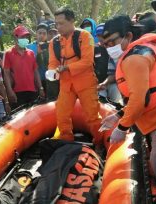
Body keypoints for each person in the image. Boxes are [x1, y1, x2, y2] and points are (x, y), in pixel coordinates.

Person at [99, 15, 156, 184]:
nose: (109, 48)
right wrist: (118, 115)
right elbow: (146, 93)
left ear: (128, 36)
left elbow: (139, 100)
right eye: (106, 44)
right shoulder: (143, 49)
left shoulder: (134, 58)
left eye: (112, 42)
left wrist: (122, 127)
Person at [48, 6, 103, 146]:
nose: (58, 27)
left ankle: (99, 143)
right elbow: (53, 62)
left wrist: (66, 68)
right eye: (56, 24)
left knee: (93, 117)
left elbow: (87, 61)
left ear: (72, 20)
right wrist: (52, 71)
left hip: (86, 83)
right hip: (66, 85)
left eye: (61, 23)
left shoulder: (85, 36)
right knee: (61, 115)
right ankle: (66, 141)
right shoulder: (54, 42)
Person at [3, 25, 45, 109]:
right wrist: (10, 91)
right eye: (22, 36)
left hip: (32, 90)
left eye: (26, 36)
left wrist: (40, 88)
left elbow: (35, 71)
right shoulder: (8, 53)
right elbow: (6, 74)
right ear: (15, 37)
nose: (25, 38)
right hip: (17, 92)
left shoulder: (31, 53)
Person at [96, 24, 123, 104]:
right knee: (101, 103)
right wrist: (103, 83)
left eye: (103, 35)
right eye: (99, 35)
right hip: (101, 83)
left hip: (116, 84)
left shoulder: (117, 49)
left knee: (115, 104)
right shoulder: (95, 49)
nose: (101, 38)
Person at [27, 23, 53, 99]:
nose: (42, 35)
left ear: (47, 34)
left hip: (50, 80)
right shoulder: (29, 47)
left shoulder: (51, 45)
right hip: (35, 81)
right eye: (39, 33)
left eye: (44, 33)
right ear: (36, 34)